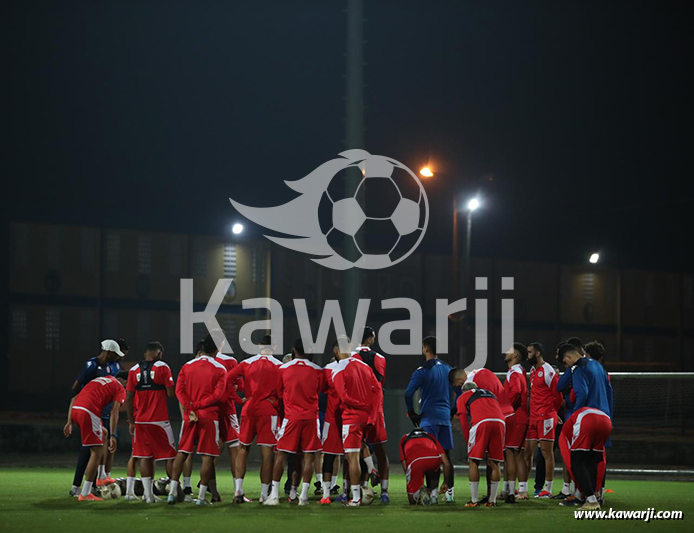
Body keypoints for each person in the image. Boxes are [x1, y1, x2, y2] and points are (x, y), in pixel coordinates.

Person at [167, 333, 227, 506]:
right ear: (216, 349)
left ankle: (172, 492)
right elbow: (218, 395)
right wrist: (200, 405)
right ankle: (201, 497)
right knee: (208, 456)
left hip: (190, 415)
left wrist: (190, 407)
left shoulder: (187, 366)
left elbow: (179, 391)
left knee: (183, 452)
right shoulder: (220, 368)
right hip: (208, 415)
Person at [264, 339, 325, 506]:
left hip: (291, 417)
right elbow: (320, 390)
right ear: (310, 350)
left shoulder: (283, 368)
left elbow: (279, 392)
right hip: (311, 418)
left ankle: (274, 495)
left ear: (293, 350)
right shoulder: (318, 370)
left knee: (281, 454)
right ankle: (302, 497)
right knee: (308, 456)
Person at [556, 343, 613, 511]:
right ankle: (596, 495)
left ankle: (587, 498)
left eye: (565, 363)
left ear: (567, 358)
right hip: (605, 418)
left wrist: (575, 414)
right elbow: (610, 392)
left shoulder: (578, 368)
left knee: (576, 459)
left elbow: (582, 393)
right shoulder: (599, 366)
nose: (567, 366)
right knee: (595, 460)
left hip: (587, 416)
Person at [226, 334, 282, 503]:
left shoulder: (246, 363)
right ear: (274, 347)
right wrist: (277, 401)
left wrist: (238, 399)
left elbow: (227, 379)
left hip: (249, 409)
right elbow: (285, 389)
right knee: (267, 454)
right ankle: (264, 495)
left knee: (243, 449)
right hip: (268, 410)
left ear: (259, 345)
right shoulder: (279, 366)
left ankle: (238, 491)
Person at [68, 339, 125, 497]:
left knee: (101, 442)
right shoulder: (92, 365)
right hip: (91, 410)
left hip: (97, 410)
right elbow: (75, 389)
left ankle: (96, 482)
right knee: (91, 449)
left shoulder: (113, 367)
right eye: (117, 354)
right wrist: (88, 396)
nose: (119, 358)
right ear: (108, 352)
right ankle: (80, 488)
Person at [404, 336, 456, 502]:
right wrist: (452, 411)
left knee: (429, 457)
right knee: (446, 457)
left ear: (426, 348)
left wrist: (412, 413)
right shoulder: (448, 369)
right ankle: (449, 495)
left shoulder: (422, 370)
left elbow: (408, 393)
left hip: (429, 419)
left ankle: (432, 495)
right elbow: (459, 392)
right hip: (445, 419)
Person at [63, 372, 128, 501]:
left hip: (76, 410)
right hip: (88, 411)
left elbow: (73, 399)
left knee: (103, 433)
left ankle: (102, 475)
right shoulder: (120, 388)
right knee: (96, 452)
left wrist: (69, 422)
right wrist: (113, 435)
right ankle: (86, 492)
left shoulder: (102, 379)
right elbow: (114, 412)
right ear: (125, 381)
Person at [125, 341, 175, 503]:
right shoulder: (163, 367)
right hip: (159, 420)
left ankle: (148, 496)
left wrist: (131, 421)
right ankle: (174, 491)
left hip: (140, 421)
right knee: (171, 456)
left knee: (145, 456)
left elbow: (129, 398)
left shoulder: (133, 370)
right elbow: (170, 393)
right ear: (159, 353)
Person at [331, 351, 382, 506]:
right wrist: (371, 413)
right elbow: (378, 390)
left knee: (351, 457)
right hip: (364, 417)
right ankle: (371, 470)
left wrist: (361, 405)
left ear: (337, 351)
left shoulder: (339, 369)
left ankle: (356, 498)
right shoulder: (366, 367)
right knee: (359, 449)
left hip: (351, 417)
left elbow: (344, 397)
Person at [350, 326, 390, 503]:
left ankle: (351, 491)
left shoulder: (350, 359)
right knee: (381, 451)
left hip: (356, 409)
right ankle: (384, 492)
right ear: (371, 340)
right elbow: (380, 382)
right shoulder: (380, 359)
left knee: (352, 452)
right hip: (376, 410)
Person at [523, 341, 563, 499]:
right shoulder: (533, 370)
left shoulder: (548, 370)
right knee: (527, 453)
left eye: (530, 352)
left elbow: (557, 394)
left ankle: (548, 488)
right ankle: (523, 488)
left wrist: (553, 411)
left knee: (547, 453)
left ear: (538, 353)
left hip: (545, 418)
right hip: (533, 418)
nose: (528, 355)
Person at [457, 382, 505, 508]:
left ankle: (474, 501)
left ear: (464, 391)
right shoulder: (490, 394)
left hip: (481, 422)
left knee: (473, 462)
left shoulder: (463, 396)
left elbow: (463, 421)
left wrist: (468, 440)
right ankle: (492, 501)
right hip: (500, 422)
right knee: (495, 462)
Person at [319, 336, 351, 504]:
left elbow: (321, 389)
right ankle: (348, 492)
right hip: (348, 418)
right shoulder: (358, 367)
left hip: (336, 418)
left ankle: (326, 495)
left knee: (331, 456)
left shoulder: (329, 369)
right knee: (350, 456)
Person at [502, 342, 529, 502]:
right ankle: (516, 490)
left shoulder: (515, 372)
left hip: (515, 417)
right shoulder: (519, 371)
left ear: (515, 355)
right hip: (520, 416)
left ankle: (512, 491)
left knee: (510, 453)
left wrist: (505, 408)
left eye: (509, 351)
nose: (506, 352)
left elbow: (517, 391)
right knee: (516, 455)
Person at [399, 428, 452, 505]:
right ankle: (434, 495)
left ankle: (420, 494)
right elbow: (446, 463)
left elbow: (403, 461)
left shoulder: (404, 438)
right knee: (435, 467)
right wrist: (445, 482)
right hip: (433, 459)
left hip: (416, 462)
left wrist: (410, 479)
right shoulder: (430, 436)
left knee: (412, 501)